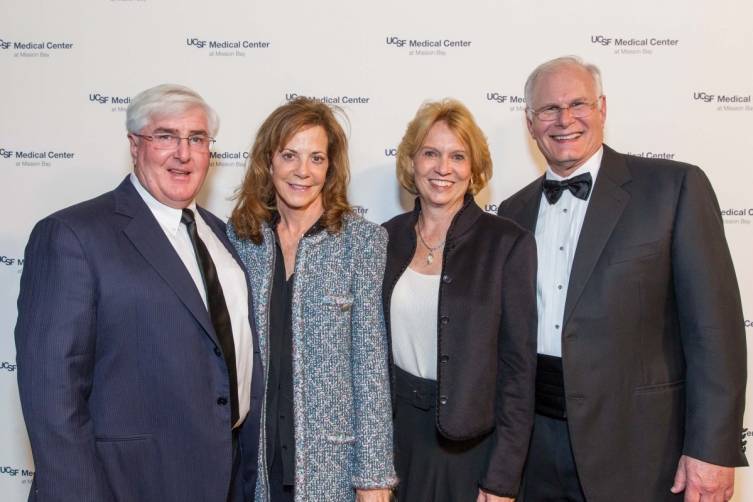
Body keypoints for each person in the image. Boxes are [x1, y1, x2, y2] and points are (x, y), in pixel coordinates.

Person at [498, 56, 747, 501]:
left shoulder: (673, 189)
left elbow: (716, 332)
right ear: (530, 123)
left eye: (578, 104)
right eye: (549, 110)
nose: (564, 120)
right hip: (535, 451)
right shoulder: (514, 213)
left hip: (642, 452)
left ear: (603, 109)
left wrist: (711, 451)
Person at [15, 84, 263, 502]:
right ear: (134, 145)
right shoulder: (73, 235)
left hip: (224, 478)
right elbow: (52, 396)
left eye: (197, 139)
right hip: (126, 485)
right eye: (165, 136)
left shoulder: (221, 236)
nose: (183, 153)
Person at [227, 97, 396, 502]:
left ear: (330, 167)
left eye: (316, 158)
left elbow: (370, 367)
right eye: (290, 155)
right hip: (251, 464)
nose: (303, 171)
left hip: (329, 466)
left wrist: (373, 478)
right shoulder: (239, 238)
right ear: (268, 161)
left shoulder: (362, 242)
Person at [382, 99, 537, 502]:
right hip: (392, 441)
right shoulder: (383, 239)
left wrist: (502, 478)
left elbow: (519, 373)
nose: (442, 168)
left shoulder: (506, 244)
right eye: (430, 153)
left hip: (468, 447)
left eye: (457, 156)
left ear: (474, 168)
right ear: (412, 162)